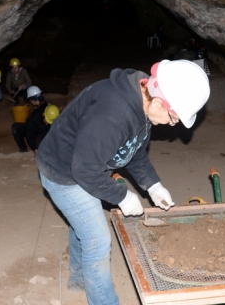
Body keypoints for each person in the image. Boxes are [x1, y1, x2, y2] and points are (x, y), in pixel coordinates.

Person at [36, 60, 210, 305]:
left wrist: (152, 184)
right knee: (97, 242)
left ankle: (78, 277)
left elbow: (133, 150)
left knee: (83, 225)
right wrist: (122, 197)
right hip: (63, 171)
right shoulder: (112, 116)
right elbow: (86, 171)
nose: (171, 125)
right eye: (172, 119)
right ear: (159, 102)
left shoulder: (143, 101)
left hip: (84, 163)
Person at [11, 86, 47, 153]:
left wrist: (34, 149)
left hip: (39, 135)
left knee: (16, 127)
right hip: (48, 134)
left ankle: (23, 149)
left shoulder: (35, 114)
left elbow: (30, 135)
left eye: (30, 100)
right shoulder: (49, 106)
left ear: (33, 100)